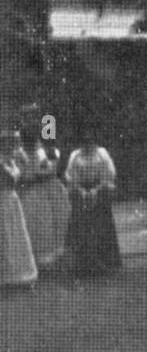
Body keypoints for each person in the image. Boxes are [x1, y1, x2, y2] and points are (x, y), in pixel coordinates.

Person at [16, 118, 70, 269]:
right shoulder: (20, 153)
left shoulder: (44, 150)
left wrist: (43, 172)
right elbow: (22, 174)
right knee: (35, 223)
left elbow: (49, 167)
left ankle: (54, 258)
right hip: (31, 192)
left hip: (46, 189)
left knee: (54, 221)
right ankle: (34, 260)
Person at [63, 140, 122, 277]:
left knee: (101, 220)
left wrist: (95, 190)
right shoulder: (75, 155)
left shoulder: (101, 154)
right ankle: (82, 264)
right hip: (80, 191)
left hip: (99, 191)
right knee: (80, 222)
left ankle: (105, 262)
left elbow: (108, 174)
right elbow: (70, 176)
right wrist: (81, 191)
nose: (87, 143)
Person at [0, 131, 37, 289]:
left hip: (12, 200)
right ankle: (5, 277)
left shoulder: (11, 160)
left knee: (16, 236)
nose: (10, 146)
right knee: (4, 236)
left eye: (12, 143)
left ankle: (21, 276)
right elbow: (9, 178)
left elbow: (18, 178)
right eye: (7, 143)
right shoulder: (3, 162)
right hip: (2, 200)